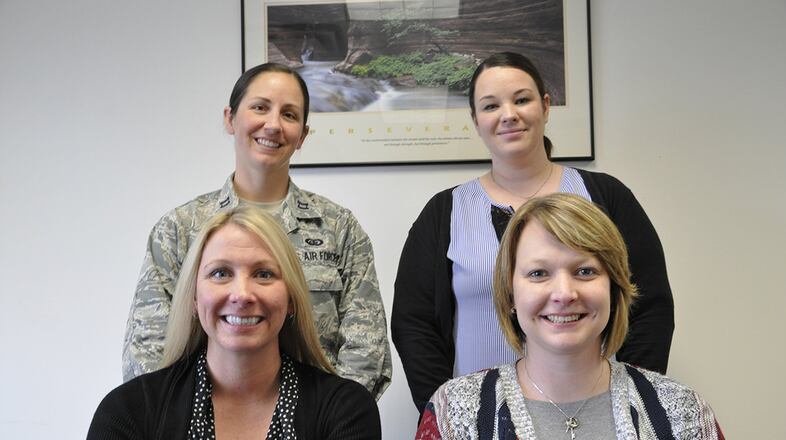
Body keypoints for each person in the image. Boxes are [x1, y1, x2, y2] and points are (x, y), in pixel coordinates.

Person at [392, 51, 674, 413]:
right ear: (476, 120)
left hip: (597, 412)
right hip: (480, 419)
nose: (509, 114)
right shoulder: (444, 213)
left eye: (522, 100)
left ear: (545, 105)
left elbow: (649, 305)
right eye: (491, 106)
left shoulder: (606, 197)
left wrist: (634, 400)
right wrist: (448, 412)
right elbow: (413, 324)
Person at [122, 63, 391, 398]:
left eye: (290, 115)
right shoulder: (180, 229)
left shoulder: (340, 229)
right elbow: (148, 350)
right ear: (230, 118)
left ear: (302, 135)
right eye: (260, 108)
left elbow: (367, 351)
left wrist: (332, 420)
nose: (274, 125)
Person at [416, 193, 723, 439]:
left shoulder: (682, 413)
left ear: (614, 288)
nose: (564, 293)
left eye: (585, 271)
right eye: (538, 273)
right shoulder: (454, 414)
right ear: (510, 295)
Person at [90, 207, 381, 439]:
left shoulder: (345, 410)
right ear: (193, 296)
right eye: (220, 273)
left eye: (264, 274)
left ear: (291, 298)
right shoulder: (128, 411)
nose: (242, 294)